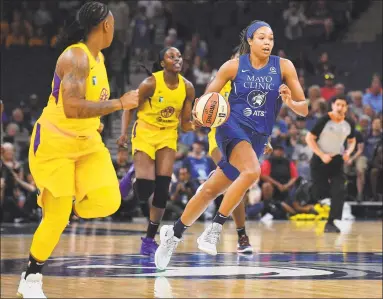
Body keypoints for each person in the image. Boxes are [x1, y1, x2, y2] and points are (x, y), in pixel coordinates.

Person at [154, 20, 308, 270]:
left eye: (271, 38)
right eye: (261, 37)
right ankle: (214, 229)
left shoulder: (284, 67)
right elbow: (206, 98)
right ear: (249, 40)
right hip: (230, 128)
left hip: (258, 138)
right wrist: (198, 114)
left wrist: (290, 102)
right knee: (252, 171)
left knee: (209, 190)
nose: (267, 42)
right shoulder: (232, 67)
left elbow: (304, 108)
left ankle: (174, 235)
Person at [17, 2, 139, 298]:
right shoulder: (76, 56)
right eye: (113, 22)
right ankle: (31, 276)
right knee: (55, 219)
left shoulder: (99, 58)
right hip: (55, 142)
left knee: (109, 201)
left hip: (86, 142)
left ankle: (66, 201)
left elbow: (85, 104)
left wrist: (95, 121)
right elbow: (71, 108)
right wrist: (120, 104)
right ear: (106, 25)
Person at [117, 46, 196, 256]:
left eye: (179, 55)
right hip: (145, 131)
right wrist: (123, 136)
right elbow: (129, 107)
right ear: (163, 63)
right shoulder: (151, 83)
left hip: (168, 135)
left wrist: (200, 122)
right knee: (144, 191)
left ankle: (149, 239)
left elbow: (186, 124)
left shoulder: (187, 88)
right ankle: (134, 174)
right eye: (171, 56)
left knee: (162, 191)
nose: (177, 58)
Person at [204, 45, 273, 254]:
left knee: (239, 187)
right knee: (235, 180)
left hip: (245, 139)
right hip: (219, 137)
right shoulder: (221, 80)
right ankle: (240, 235)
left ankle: (241, 235)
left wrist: (265, 139)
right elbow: (205, 109)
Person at [306, 95, 356, 233]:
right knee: (319, 192)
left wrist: (348, 152)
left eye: (343, 105)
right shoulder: (324, 120)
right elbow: (309, 138)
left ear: (346, 108)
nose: (340, 107)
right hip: (319, 160)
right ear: (333, 105)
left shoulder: (349, 123)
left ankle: (331, 222)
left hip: (336, 160)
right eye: (337, 104)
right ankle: (305, 189)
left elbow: (352, 140)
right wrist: (322, 155)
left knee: (339, 190)